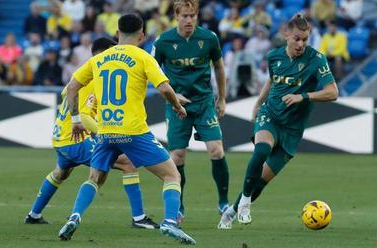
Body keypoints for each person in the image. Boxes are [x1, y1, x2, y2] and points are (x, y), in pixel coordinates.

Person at [58, 14, 196, 245]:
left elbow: (72, 87)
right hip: (133, 131)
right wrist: (177, 106)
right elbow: (163, 88)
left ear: (117, 33)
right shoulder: (142, 56)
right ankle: (170, 223)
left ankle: (75, 216)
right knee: (172, 174)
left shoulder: (99, 59)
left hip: (106, 131)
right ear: (142, 35)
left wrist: (75, 120)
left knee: (95, 177)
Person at [218, 14, 339, 229]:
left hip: (292, 130)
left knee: (261, 182)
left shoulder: (316, 59)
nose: (301, 44)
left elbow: (332, 92)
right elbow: (273, 81)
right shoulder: (274, 56)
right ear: (286, 35)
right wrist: (258, 102)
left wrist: (303, 96)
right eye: (296, 39)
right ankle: (244, 203)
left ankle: (231, 211)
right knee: (262, 150)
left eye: (305, 39)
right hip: (271, 114)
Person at [25, 37, 159, 230]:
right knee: (128, 163)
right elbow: (86, 116)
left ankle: (34, 214)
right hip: (76, 138)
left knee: (60, 173)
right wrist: (104, 133)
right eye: (112, 53)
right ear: (101, 54)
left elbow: (67, 94)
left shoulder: (81, 75)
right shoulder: (96, 77)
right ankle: (139, 218)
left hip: (60, 137)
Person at [151, 0, 229, 222]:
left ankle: (223, 203)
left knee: (216, 150)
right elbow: (151, 75)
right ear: (176, 16)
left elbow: (219, 67)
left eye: (192, 16)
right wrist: (173, 96)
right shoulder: (163, 42)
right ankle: (179, 207)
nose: (189, 20)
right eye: (184, 16)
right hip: (177, 106)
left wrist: (222, 98)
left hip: (204, 102)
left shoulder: (209, 38)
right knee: (177, 155)